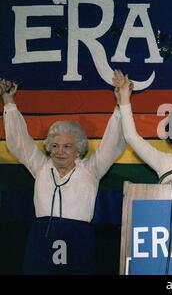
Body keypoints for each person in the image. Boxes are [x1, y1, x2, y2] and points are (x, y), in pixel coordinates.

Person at [0, 78, 125, 274]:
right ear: (49, 148)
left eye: (67, 146)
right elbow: (19, 142)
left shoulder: (90, 170)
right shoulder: (40, 167)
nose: (60, 151)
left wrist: (120, 105)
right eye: (55, 146)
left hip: (78, 238)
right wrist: (8, 101)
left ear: (79, 149)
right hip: (41, 239)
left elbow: (112, 144)